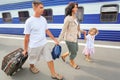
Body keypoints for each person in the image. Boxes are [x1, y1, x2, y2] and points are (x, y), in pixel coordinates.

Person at [22, 1, 63, 80]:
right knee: (32, 60)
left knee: (49, 58)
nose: (43, 9)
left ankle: (53, 74)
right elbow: (26, 37)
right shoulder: (29, 21)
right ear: (34, 8)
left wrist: (54, 39)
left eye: (43, 7)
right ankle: (32, 67)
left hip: (44, 43)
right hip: (34, 45)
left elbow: (46, 30)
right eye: (40, 7)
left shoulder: (43, 19)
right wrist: (25, 50)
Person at [58, 2, 86, 69]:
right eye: (75, 7)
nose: (76, 8)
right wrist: (58, 40)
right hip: (69, 39)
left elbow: (78, 28)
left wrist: (83, 31)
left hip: (75, 38)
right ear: (71, 8)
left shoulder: (76, 17)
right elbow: (63, 30)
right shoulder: (68, 18)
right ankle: (72, 62)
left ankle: (63, 56)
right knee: (74, 53)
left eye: (77, 7)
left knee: (75, 50)